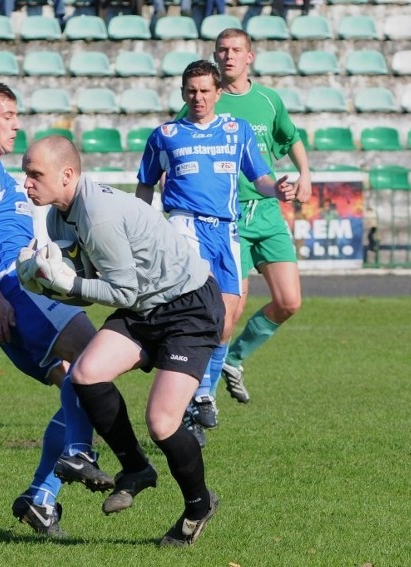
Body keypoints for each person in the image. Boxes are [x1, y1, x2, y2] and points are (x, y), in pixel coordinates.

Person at [18, 136, 289, 546]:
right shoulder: (60, 216)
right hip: (145, 306)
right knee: (86, 374)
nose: (27, 183)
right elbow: (100, 288)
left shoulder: (98, 214)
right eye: (26, 173)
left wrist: (68, 283)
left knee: (162, 422)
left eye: (35, 174)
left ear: (67, 175)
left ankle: (198, 506)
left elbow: (120, 292)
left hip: (188, 309)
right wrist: (49, 287)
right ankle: (136, 470)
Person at [0, 80, 113, 538]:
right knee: (96, 363)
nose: (16, 124)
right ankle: (79, 454)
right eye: (7, 115)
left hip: (23, 291)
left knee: (79, 386)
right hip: (16, 293)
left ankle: (41, 498)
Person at [138, 59, 297, 442]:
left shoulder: (236, 131)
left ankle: (195, 398)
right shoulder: (165, 134)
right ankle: (202, 395)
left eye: (205, 91)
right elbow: (145, 184)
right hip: (185, 227)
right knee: (200, 310)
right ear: (182, 93)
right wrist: (142, 228)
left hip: (227, 232)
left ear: (217, 93)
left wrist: (277, 189)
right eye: (191, 91)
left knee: (224, 320)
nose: (198, 97)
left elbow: (259, 177)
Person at [184, 29, 312, 421]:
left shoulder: (268, 100)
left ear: (250, 56)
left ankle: (234, 359)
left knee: (289, 302)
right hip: (228, 216)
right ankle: (202, 395)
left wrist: (304, 174)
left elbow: (290, 137)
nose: (228, 56)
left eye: (236, 50)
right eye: (222, 50)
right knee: (227, 313)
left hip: (267, 213)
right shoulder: (207, 100)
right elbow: (178, 139)